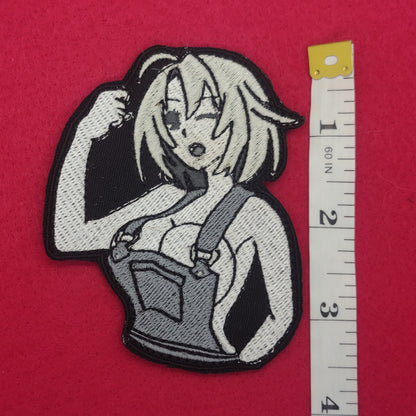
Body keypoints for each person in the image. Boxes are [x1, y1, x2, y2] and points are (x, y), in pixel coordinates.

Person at [45, 46, 303, 372]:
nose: (184, 131)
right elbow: (70, 238)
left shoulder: (256, 215)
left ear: (242, 114)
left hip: (213, 362)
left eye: (205, 114)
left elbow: (281, 315)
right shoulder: (164, 198)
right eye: (173, 117)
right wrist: (84, 135)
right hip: (121, 362)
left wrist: (243, 362)